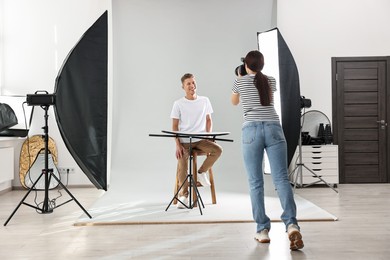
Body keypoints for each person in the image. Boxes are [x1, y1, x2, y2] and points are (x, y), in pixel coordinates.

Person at [231, 50, 304, 250]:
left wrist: (240, 77)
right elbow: (267, 99)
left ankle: (262, 230)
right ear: (262, 65)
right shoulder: (270, 81)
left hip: (251, 129)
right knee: (281, 179)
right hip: (273, 127)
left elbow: (234, 101)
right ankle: (291, 225)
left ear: (246, 65)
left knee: (255, 182)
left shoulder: (240, 81)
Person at [170, 73, 222, 209]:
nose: (192, 85)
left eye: (193, 82)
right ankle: (184, 195)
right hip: (184, 142)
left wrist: (208, 135)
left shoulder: (204, 100)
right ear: (183, 87)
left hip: (200, 140)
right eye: (188, 83)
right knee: (182, 161)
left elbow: (209, 120)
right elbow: (174, 126)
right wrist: (177, 145)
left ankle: (201, 173)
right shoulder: (178, 104)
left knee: (217, 150)